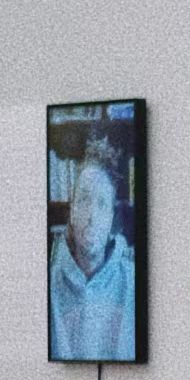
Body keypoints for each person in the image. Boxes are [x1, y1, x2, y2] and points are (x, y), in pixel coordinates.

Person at [48, 147, 136, 360]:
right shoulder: (49, 284)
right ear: (72, 212)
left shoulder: (132, 281)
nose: (92, 216)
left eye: (102, 204)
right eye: (84, 200)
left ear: (111, 218)